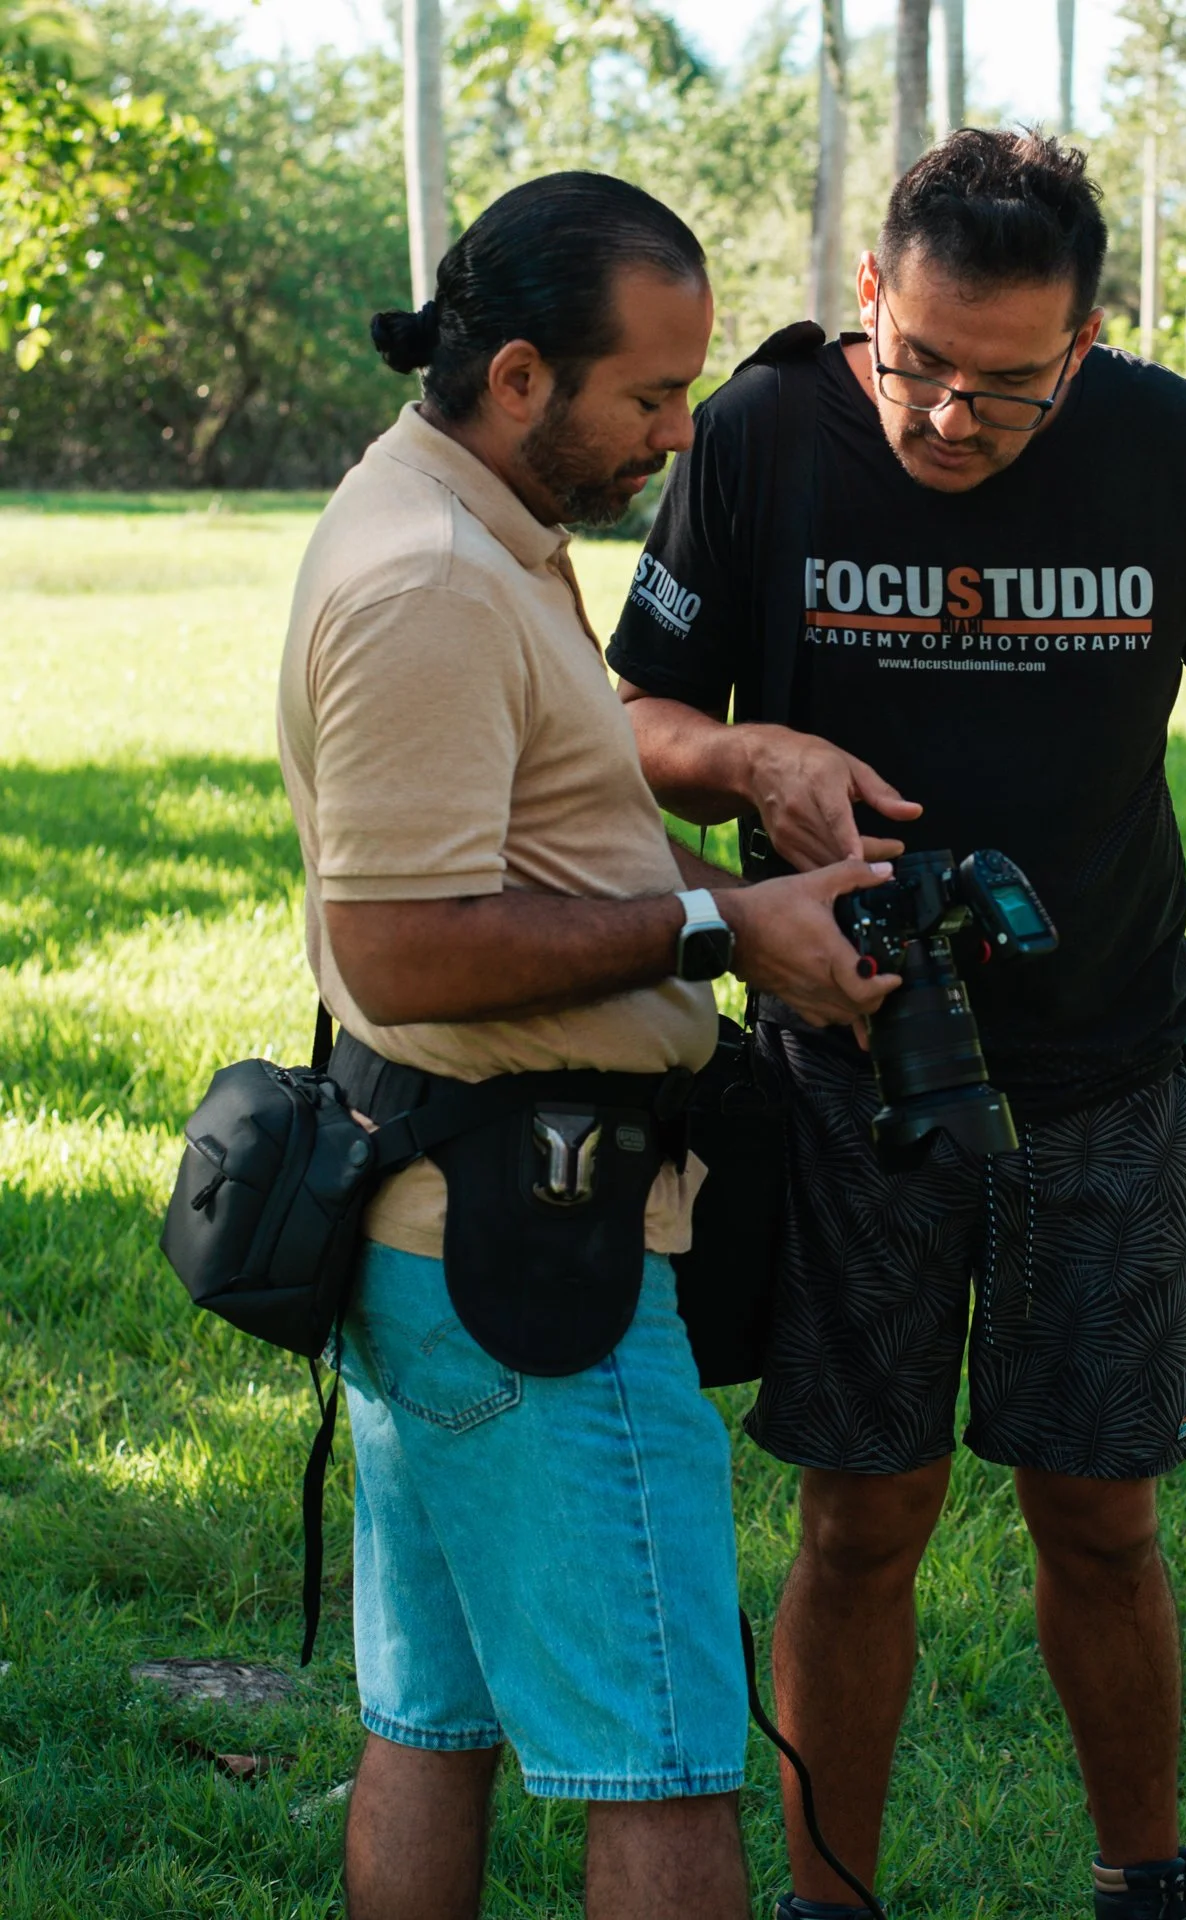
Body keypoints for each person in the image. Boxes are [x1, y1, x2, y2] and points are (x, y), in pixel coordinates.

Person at [609, 129, 1186, 1919]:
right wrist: (753, 754)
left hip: (1108, 1071)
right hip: (849, 1066)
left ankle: (1146, 1881)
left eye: (1009, 384)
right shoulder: (758, 438)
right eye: (921, 363)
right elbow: (633, 716)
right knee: (862, 1517)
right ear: (872, 300)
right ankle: (836, 1900)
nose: (952, 417)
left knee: (1104, 1516)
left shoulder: (1167, 444)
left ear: (1087, 341)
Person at [276, 172, 897, 1920]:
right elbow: (393, 941)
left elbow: (545, 855)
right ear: (527, 375)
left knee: (433, 1727)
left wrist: (746, 891)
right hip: (528, 1266)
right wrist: (717, 929)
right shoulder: (431, 581)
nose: (678, 437)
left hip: (448, 1235)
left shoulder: (470, 527)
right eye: (650, 396)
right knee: (670, 1770)